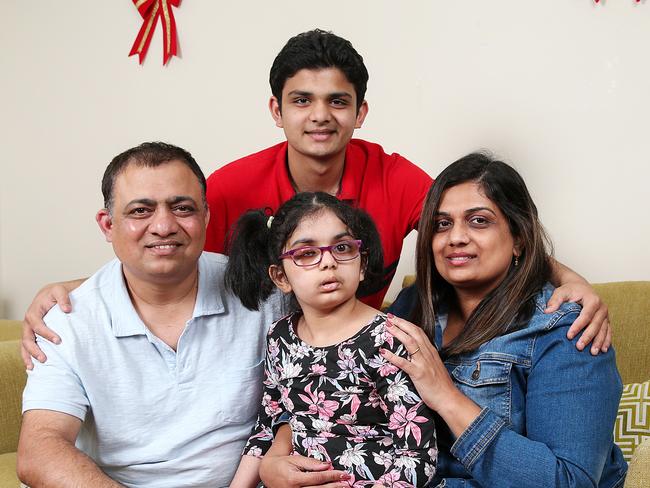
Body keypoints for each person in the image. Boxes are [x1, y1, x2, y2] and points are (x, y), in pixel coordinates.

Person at [21, 30, 612, 367]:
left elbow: (476, 229)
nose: (320, 116)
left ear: (360, 112)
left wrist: (570, 279)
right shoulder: (230, 186)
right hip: (260, 359)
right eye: (302, 100)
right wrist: (71, 291)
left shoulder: (396, 176)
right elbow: (163, 247)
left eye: (338, 101)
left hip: (368, 357)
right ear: (276, 111)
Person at [17, 142, 293, 487]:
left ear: (205, 216)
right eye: (140, 211)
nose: (163, 226)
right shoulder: (68, 319)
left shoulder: (263, 293)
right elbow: (40, 450)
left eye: (182, 208)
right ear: (107, 225)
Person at [377, 153, 627, 487]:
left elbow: (570, 482)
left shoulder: (563, 330)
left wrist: (447, 396)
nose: (456, 238)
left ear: (519, 238)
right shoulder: (413, 308)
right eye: (442, 224)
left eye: (478, 221)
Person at [225, 192, 437, 487]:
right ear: (280, 278)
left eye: (342, 247)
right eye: (307, 253)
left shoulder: (389, 339)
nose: (329, 262)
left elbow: (418, 456)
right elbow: (268, 427)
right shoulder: (280, 337)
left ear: (362, 264)